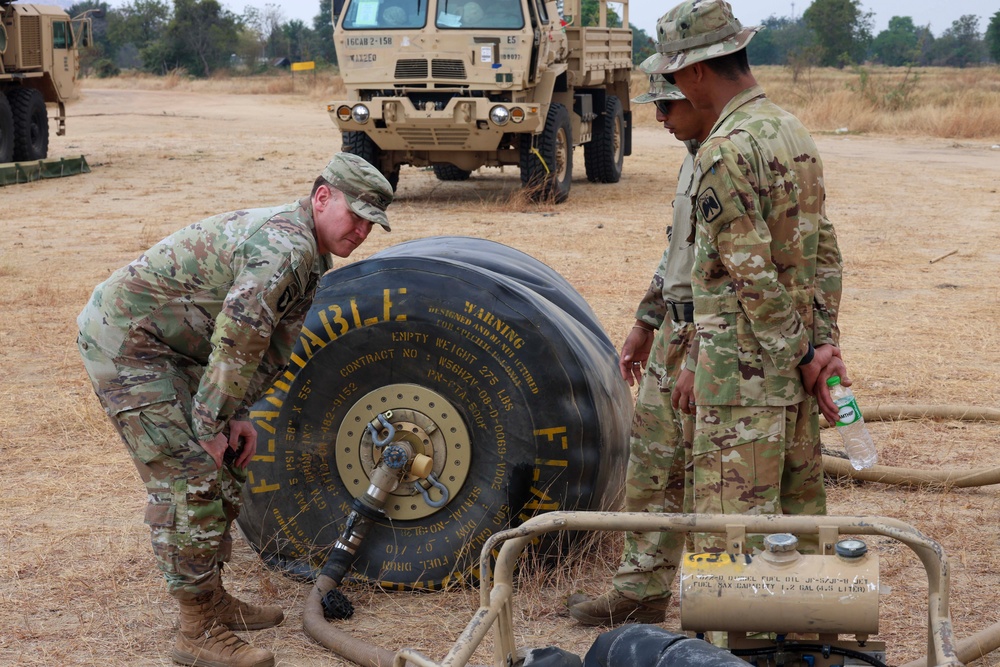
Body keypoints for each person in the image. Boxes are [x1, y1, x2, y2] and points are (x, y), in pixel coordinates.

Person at [77, 153, 394, 667]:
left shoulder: (308, 251)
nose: (360, 231)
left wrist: (237, 413)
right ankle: (196, 630)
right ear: (321, 197)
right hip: (129, 345)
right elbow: (238, 337)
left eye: (369, 223)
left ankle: (211, 599)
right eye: (353, 214)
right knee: (190, 476)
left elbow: (267, 343)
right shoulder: (285, 247)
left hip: (173, 350)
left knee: (224, 469)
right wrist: (208, 424)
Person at [640, 0, 848, 554]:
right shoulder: (790, 129)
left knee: (731, 552)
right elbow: (824, 249)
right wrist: (820, 347)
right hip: (791, 375)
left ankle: (742, 645)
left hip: (741, 383)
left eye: (673, 74)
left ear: (697, 71)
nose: (672, 87)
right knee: (799, 545)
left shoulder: (723, 148)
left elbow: (748, 273)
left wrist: (804, 357)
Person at [567, 75, 718, 626]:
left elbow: (735, 277)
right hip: (674, 334)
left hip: (714, 340)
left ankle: (720, 609)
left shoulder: (734, 156)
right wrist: (646, 321)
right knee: (652, 466)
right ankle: (640, 591)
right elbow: (678, 252)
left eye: (667, 104)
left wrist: (701, 357)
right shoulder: (696, 158)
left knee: (712, 481)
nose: (658, 118)